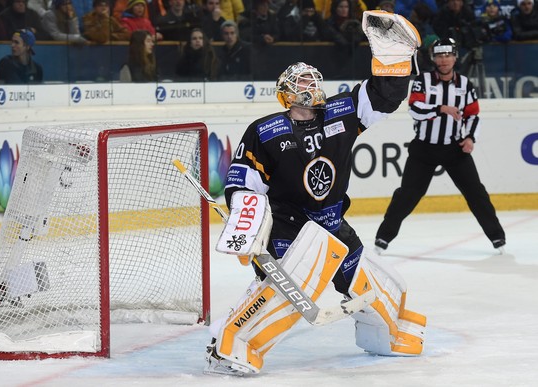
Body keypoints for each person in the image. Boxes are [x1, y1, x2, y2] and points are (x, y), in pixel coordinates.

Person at [205, 11, 425, 377]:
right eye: (303, 80)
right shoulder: (266, 130)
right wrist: (246, 231)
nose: (312, 83)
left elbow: (384, 98)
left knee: (365, 284)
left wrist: (393, 59)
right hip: (288, 228)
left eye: (314, 77)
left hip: (332, 223)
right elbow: (244, 184)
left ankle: (387, 333)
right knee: (289, 289)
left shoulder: (342, 111)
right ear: (287, 92)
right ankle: (234, 343)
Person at [374, 38, 506, 255]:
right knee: (407, 195)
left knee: (476, 193)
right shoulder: (423, 81)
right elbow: (415, 109)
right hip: (424, 149)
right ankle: (383, 238)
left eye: (447, 55)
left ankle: (497, 237)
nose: (443, 60)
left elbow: (473, 115)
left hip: (455, 149)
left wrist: (471, 138)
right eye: (439, 55)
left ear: (455, 57)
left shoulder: (465, 84)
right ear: (433, 58)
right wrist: (441, 109)